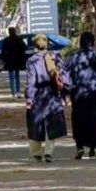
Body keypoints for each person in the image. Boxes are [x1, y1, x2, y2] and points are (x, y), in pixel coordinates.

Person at [65, 31, 96, 159]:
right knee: (95, 121)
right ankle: (93, 148)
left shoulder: (73, 57)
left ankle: (80, 146)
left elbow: (65, 75)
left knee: (79, 121)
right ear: (93, 42)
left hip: (78, 94)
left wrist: (65, 93)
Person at [25, 33, 67, 162]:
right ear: (47, 43)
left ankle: (36, 152)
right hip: (53, 94)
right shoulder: (55, 57)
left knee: (35, 123)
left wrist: (29, 98)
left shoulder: (32, 60)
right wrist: (65, 94)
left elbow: (31, 81)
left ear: (34, 45)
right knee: (52, 123)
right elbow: (63, 77)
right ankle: (49, 152)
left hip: (38, 94)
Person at [0, 27, 27, 98]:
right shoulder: (19, 39)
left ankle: (13, 93)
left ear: (9, 32)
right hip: (18, 60)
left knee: (11, 77)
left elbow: (3, 51)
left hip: (9, 60)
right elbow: (25, 47)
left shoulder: (6, 40)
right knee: (17, 76)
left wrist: (3, 59)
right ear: (15, 31)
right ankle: (18, 91)